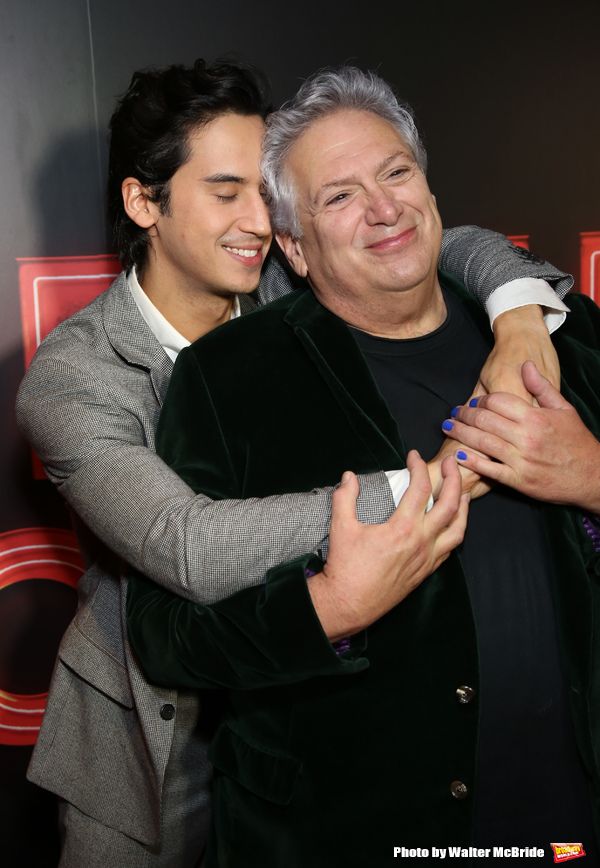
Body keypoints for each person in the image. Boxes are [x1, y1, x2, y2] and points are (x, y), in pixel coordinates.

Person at [16, 57, 573, 868]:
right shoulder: (73, 377)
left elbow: (446, 241)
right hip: (151, 736)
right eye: (226, 193)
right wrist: (433, 481)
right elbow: (186, 545)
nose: (257, 220)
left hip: (301, 717)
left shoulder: (284, 273)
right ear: (144, 202)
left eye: (265, 194)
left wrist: (519, 314)